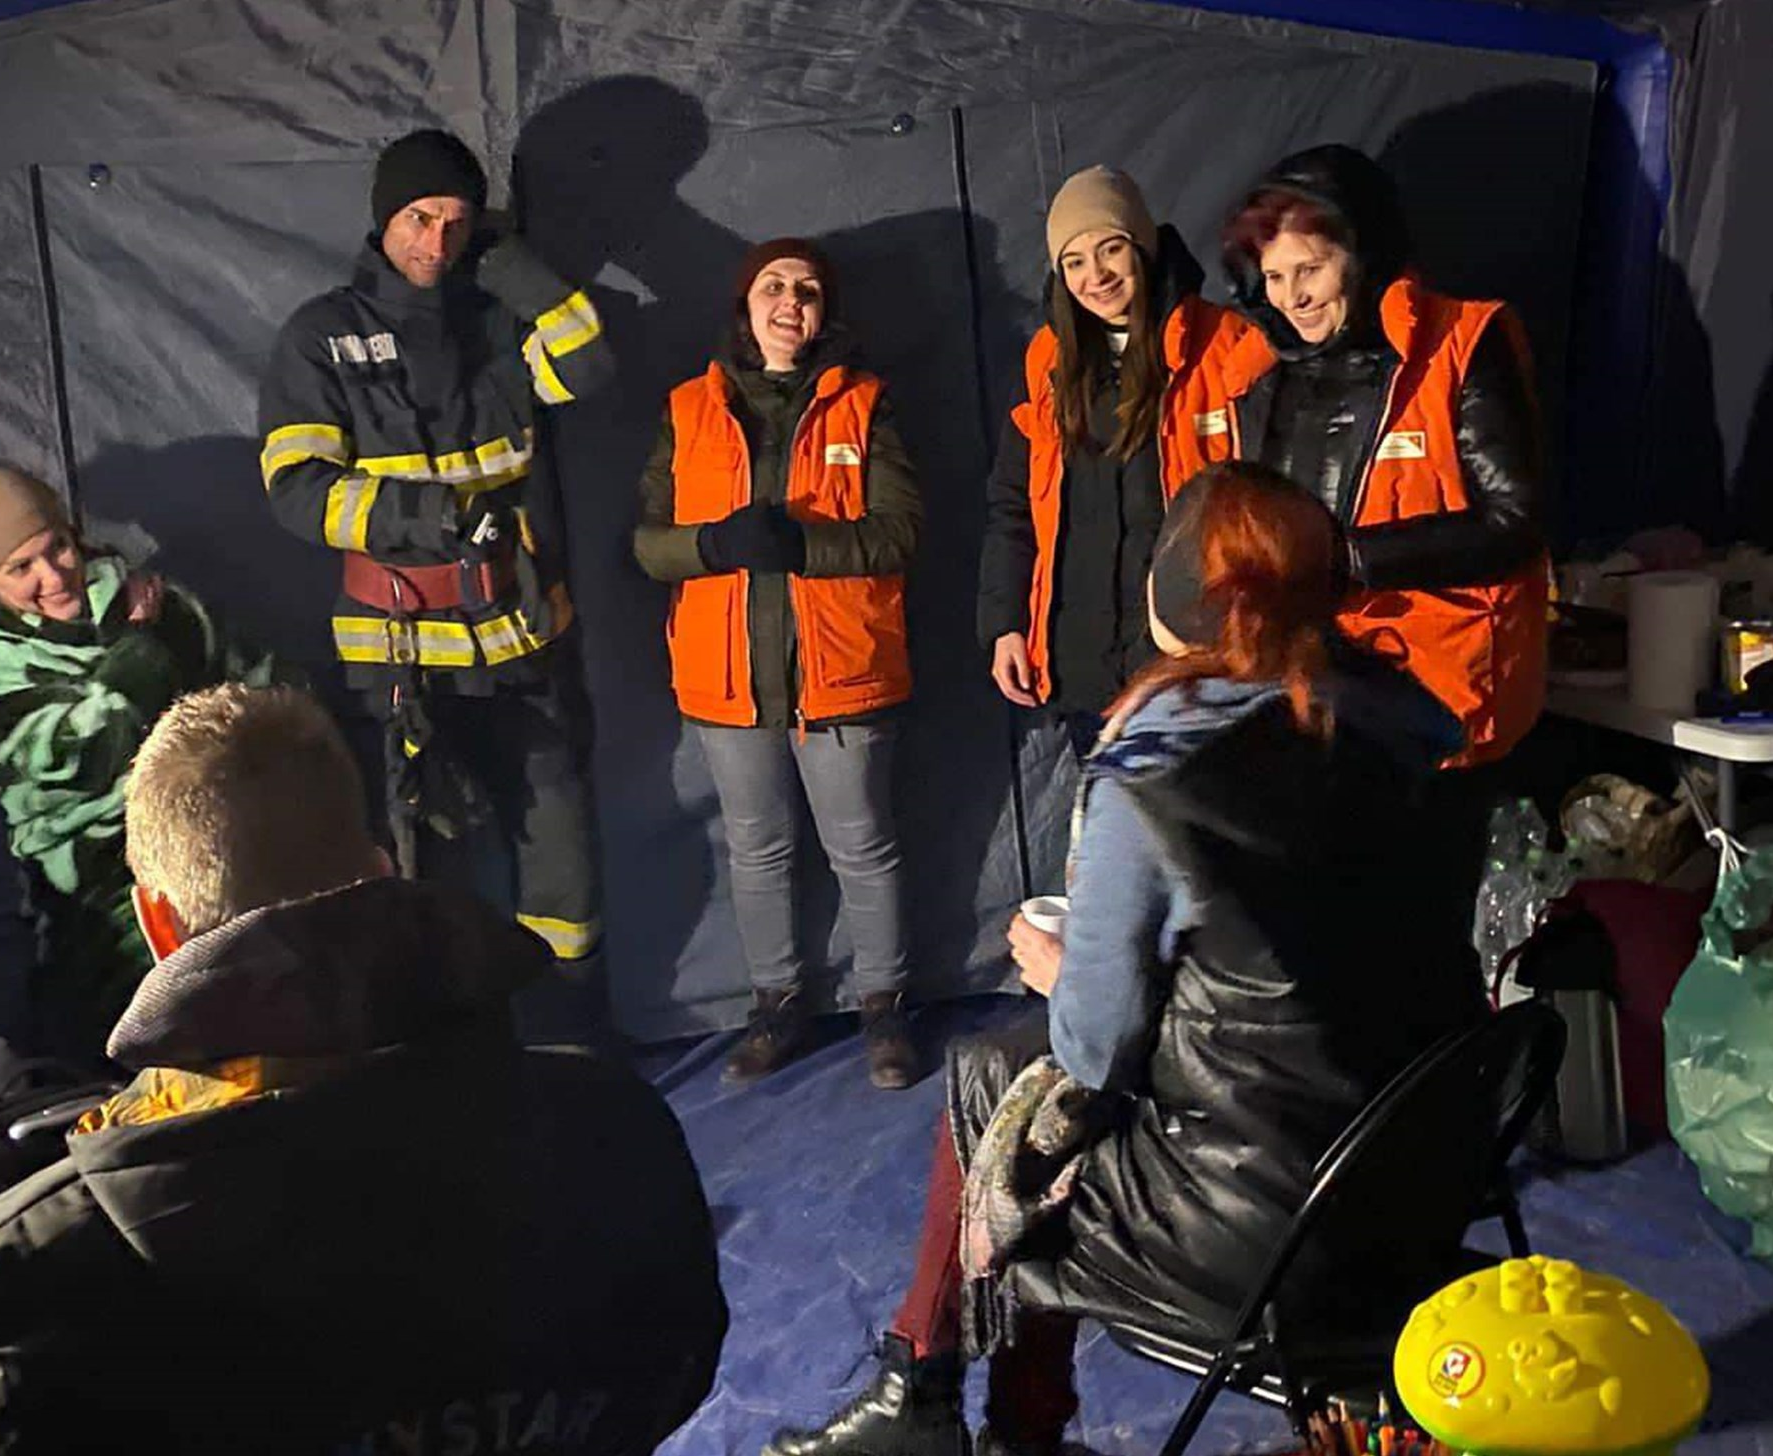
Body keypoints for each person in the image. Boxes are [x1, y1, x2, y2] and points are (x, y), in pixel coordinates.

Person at [763, 465, 1485, 1456]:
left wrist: (1066, 972)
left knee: (1002, 1078)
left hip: (1255, 1229)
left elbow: (1094, 1051)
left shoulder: (1158, 771)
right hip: (1423, 1180)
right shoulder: (1412, 736)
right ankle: (926, 1393)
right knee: (1015, 1073)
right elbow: (1317, 968)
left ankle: (975, 1415)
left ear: (1181, 588)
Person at [0, 683, 728, 1456]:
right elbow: (669, 1377)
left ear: (158, 923)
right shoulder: (618, 1136)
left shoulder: (17, 1285)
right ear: (378, 872)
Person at [257, 128, 613, 1036]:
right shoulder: (322, 337)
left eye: (458, 223)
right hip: (404, 662)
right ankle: (445, 1055)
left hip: (522, 638)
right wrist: (425, 519)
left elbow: (589, 362)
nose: (437, 243)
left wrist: (511, 261)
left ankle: (568, 1037)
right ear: (384, 219)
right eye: (421, 219)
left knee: (561, 854)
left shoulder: (497, 315)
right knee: (425, 868)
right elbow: (295, 491)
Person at [633, 238, 924, 1088]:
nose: (790, 301)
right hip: (728, 679)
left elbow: (899, 530)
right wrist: (712, 544)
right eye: (773, 286)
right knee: (757, 852)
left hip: (843, 670)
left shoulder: (866, 404)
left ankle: (886, 1008)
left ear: (825, 311)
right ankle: (777, 1005)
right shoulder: (687, 407)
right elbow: (649, 545)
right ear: (745, 305)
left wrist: (806, 544)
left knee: (863, 846)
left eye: (806, 290)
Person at [0, 463, 274, 1057]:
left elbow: (260, 687)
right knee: (126, 1030)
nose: (53, 577)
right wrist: (140, 654)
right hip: (93, 874)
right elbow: (85, 753)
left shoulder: (154, 601)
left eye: (57, 548)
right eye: (20, 568)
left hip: (215, 839)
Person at [1220, 143, 1548, 771]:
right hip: (1303, 694)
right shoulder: (1254, 378)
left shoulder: (1459, 343)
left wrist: (1350, 560)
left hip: (1435, 698)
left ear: (1363, 259)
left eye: (1311, 268)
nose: (1293, 296)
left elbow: (1515, 521)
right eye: (1275, 276)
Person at [980, 164, 1269, 764]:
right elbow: (1013, 505)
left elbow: (1269, 514)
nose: (1097, 276)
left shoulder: (1227, 346)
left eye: (1111, 248)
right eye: (1076, 261)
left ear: (1143, 245)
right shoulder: (1047, 363)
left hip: (1191, 668)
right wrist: (1006, 623)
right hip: (1083, 667)